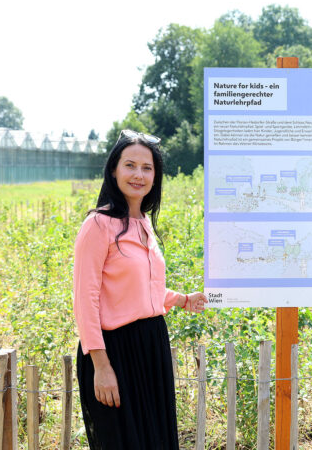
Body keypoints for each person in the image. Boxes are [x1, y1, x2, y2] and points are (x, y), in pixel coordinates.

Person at [73, 129, 208, 449]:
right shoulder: (97, 225)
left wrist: (181, 299)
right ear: (113, 170)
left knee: (155, 440)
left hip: (151, 344)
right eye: (130, 165)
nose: (139, 174)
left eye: (147, 168)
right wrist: (101, 366)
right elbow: (85, 300)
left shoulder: (144, 222)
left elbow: (143, 289)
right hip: (115, 351)